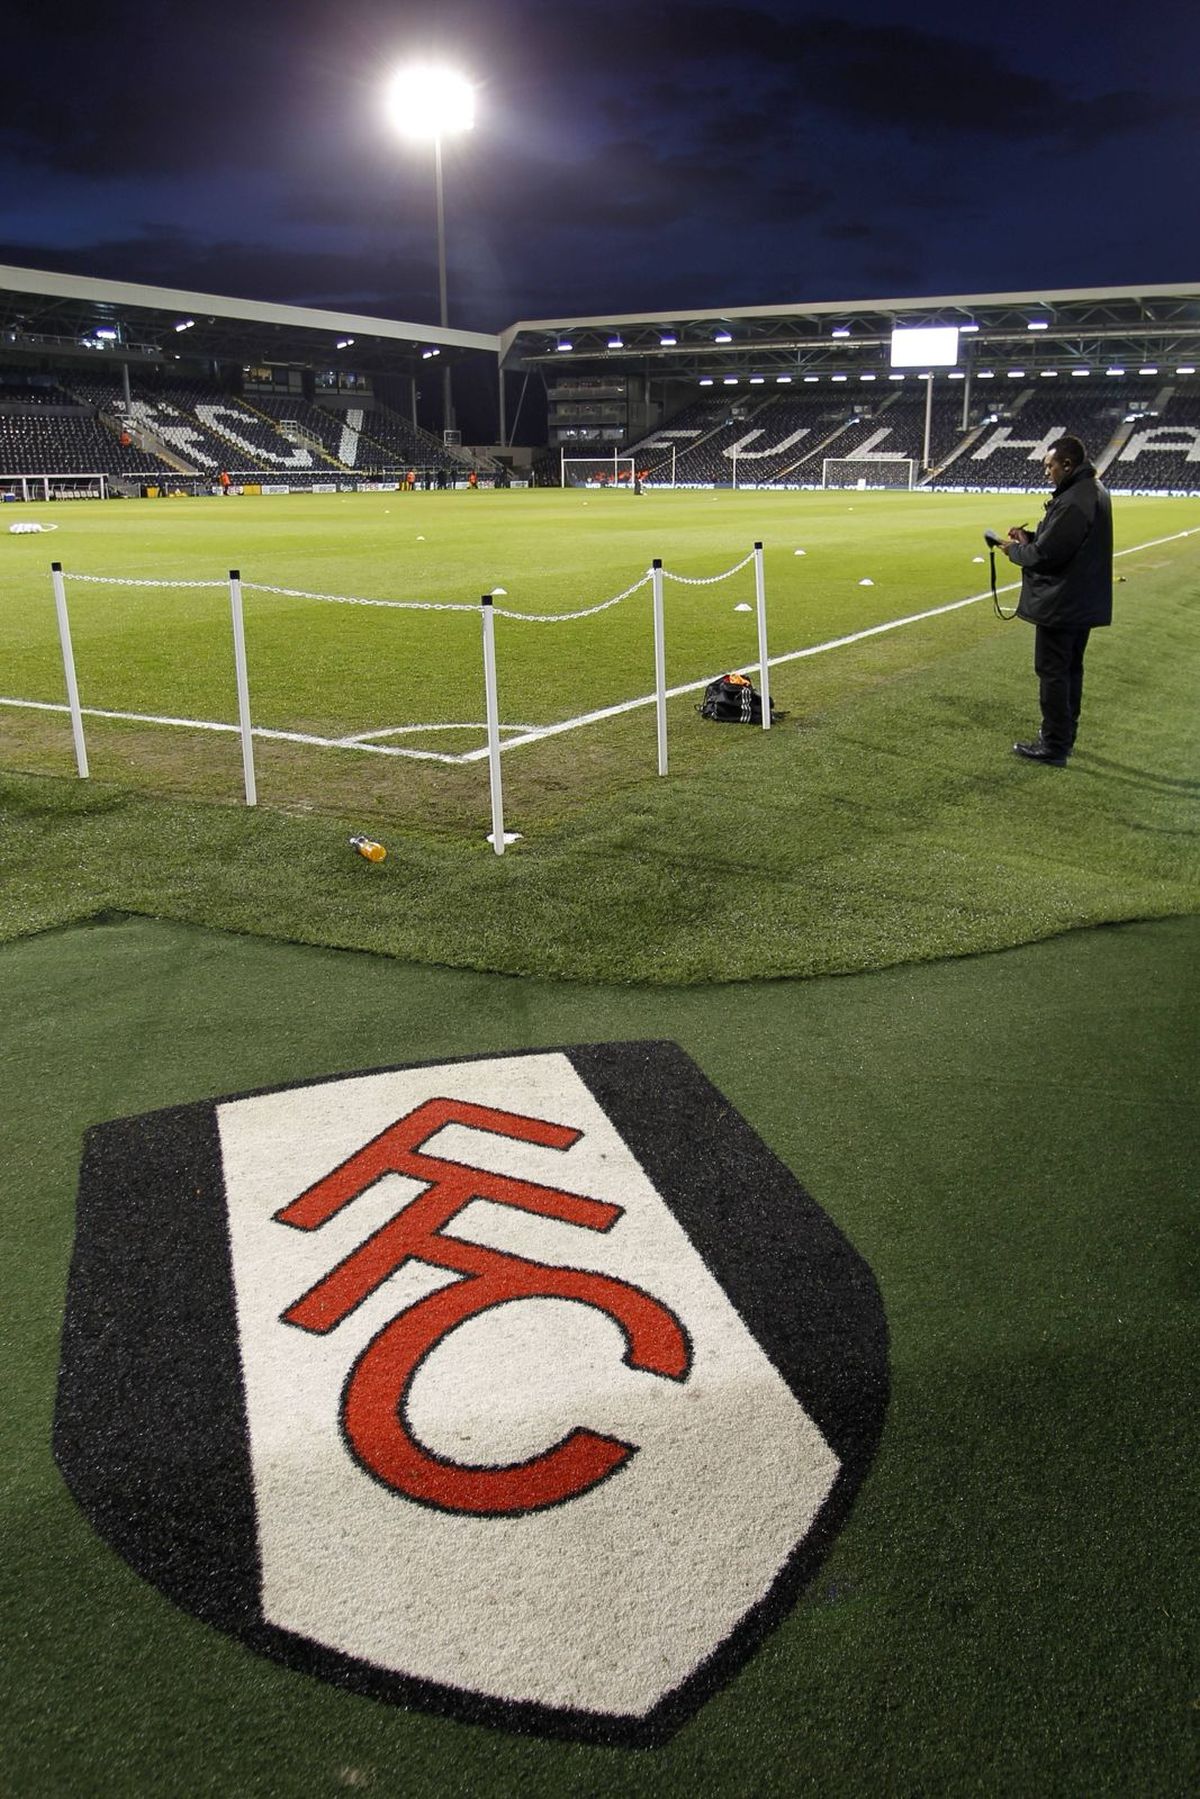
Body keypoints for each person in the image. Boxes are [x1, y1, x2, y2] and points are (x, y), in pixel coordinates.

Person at [998, 434, 1113, 766]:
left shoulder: (1075, 499)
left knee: (1053, 673)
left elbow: (1048, 555)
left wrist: (1016, 550)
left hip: (1063, 603)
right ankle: (1065, 737)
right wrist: (1030, 537)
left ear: (1067, 464)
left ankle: (1054, 745)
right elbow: (1065, 542)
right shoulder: (1092, 491)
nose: (1046, 472)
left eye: (1050, 466)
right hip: (1081, 600)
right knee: (1070, 671)